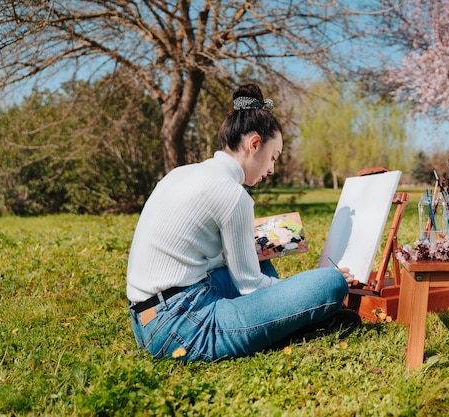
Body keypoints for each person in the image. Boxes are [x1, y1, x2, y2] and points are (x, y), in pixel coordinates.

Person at [127, 83, 355, 361]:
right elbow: (250, 286)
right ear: (254, 144)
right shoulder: (233, 194)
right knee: (329, 283)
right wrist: (306, 284)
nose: (271, 169)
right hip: (182, 327)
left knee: (263, 262)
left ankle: (288, 319)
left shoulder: (182, 173)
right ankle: (300, 317)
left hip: (148, 317)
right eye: (273, 157)